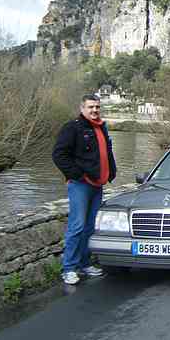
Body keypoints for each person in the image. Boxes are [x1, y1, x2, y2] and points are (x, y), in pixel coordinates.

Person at [52, 94, 117, 285]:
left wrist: (111, 172)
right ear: (82, 109)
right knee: (77, 226)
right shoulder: (72, 127)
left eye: (97, 107)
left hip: (97, 185)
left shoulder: (101, 127)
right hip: (80, 185)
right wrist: (77, 175)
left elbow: (107, 152)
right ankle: (69, 268)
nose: (95, 110)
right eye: (91, 107)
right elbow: (59, 155)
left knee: (89, 227)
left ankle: (84, 263)